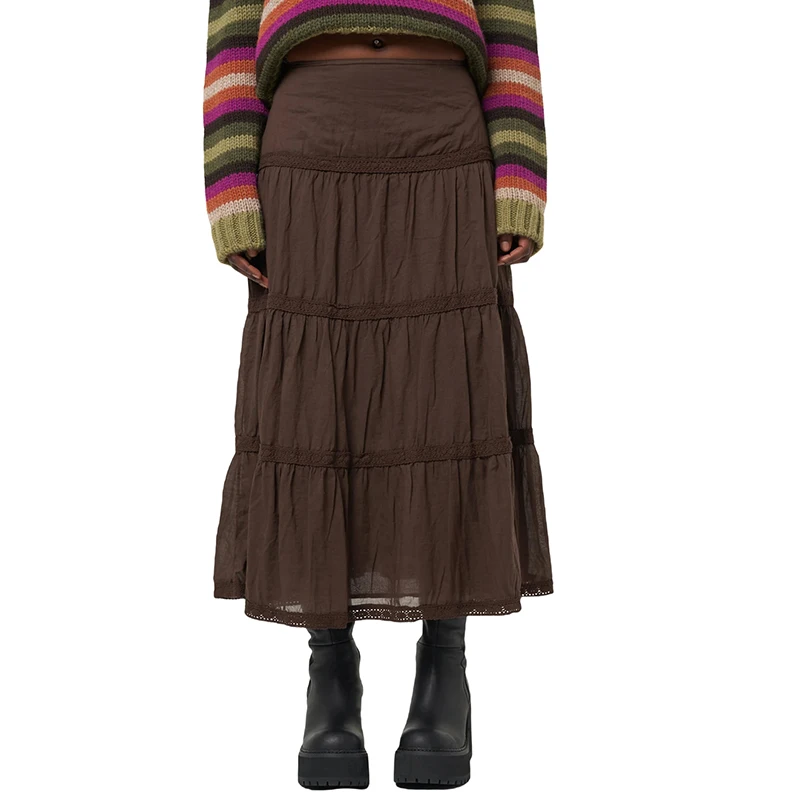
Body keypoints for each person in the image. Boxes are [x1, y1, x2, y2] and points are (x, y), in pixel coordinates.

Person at [203, 0, 554, 789]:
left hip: (444, 137)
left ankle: (445, 665)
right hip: (307, 138)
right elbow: (232, 27)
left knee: (450, 397)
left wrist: (520, 172)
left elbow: (508, 21)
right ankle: (330, 671)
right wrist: (230, 187)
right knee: (313, 410)